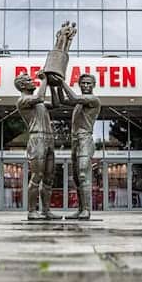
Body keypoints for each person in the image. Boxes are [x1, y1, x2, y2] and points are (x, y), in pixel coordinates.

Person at [58, 73, 101, 220]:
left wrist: (62, 81)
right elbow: (62, 100)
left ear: (94, 85)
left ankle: (87, 210)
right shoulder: (78, 104)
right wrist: (55, 85)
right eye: (83, 83)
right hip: (75, 141)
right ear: (79, 85)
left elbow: (73, 97)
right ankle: (80, 209)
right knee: (76, 178)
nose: (86, 86)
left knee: (83, 174)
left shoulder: (93, 100)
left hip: (85, 140)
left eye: (89, 83)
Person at [15, 70, 56, 220]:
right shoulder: (24, 100)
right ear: (22, 85)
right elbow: (39, 96)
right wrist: (44, 79)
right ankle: (32, 211)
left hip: (49, 139)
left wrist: (53, 85)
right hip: (37, 138)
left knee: (49, 178)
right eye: (29, 80)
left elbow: (56, 103)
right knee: (37, 175)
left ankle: (46, 210)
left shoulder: (39, 103)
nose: (33, 81)